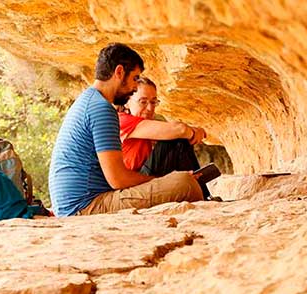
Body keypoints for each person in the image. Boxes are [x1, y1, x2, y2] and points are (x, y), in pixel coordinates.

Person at [48, 43, 203, 217]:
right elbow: (118, 179)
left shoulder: (87, 100)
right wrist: (160, 181)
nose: (136, 87)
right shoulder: (101, 109)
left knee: (182, 181)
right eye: (135, 78)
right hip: (85, 208)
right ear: (119, 72)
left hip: (75, 205)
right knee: (184, 183)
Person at [119, 76, 221, 201]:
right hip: (132, 186)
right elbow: (180, 130)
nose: (150, 108)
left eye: (153, 102)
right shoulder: (122, 120)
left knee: (178, 141)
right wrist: (195, 132)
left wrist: (193, 131)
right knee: (176, 139)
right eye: (143, 102)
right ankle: (203, 196)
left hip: (144, 178)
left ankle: (201, 193)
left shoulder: (147, 124)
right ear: (126, 102)